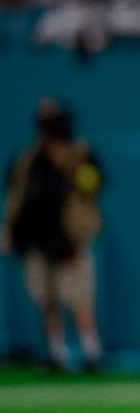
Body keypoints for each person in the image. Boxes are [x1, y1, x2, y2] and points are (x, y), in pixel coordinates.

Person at [2, 101, 104, 373]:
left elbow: (93, 185)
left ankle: (91, 352)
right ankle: (57, 353)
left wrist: (72, 164)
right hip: (37, 242)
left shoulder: (80, 155)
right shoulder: (27, 159)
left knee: (80, 300)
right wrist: (9, 230)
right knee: (46, 301)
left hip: (71, 241)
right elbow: (16, 196)